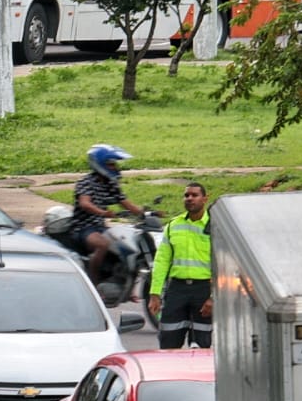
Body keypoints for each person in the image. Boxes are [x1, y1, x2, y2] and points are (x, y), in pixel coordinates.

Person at [148, 182, 213, 348]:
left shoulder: (215, 226)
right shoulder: (173, 225)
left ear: (205, 199)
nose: (190, 198)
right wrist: (155, 294)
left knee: (202, 345)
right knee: (168, 340)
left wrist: (214, 297)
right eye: (186, 195)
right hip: (177, 290)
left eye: (194, 195)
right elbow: (162, 261)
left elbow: (225, 263)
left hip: (204, 291)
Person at [71, 143, 145, 286]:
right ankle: (93, 284)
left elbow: (125, 203)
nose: (115, 167)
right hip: (84, 228)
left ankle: (123, 284)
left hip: (100, 226)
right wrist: (103, 212)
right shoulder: (85, 182)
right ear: (99, 164)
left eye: (114, 164)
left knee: (125, 245)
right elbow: (85, 203)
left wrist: (145, 214)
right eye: (111, 164)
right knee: (103, 245)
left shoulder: (110, 183)